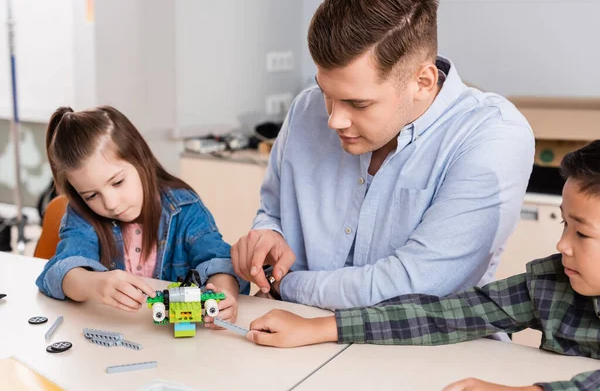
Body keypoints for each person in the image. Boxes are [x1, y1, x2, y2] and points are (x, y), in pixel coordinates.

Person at [231, 0, 534, 309]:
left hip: (425, 352)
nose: (334, 119)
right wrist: (267, 235)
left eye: (358, 103)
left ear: (423, 81)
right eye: (326, 93)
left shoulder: (493, 135)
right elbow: (273, 211)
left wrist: (286, 285)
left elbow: (416, 285)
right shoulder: (305, 110)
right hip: (290, 337)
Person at [245, 141, 600, 390]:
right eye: (564, 225)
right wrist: (321, 328)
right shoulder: (551, 283)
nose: (562, 245)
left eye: (582, 234)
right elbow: (446, 314)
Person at [36, 106, 248, 327]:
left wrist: (223, 295)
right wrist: (92, 283)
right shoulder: (82, 215)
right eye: (91, 195)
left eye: (117, 182)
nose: (111, 203)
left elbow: (219, 261)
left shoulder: (184, 207)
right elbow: (57, 272)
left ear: (140, 159)